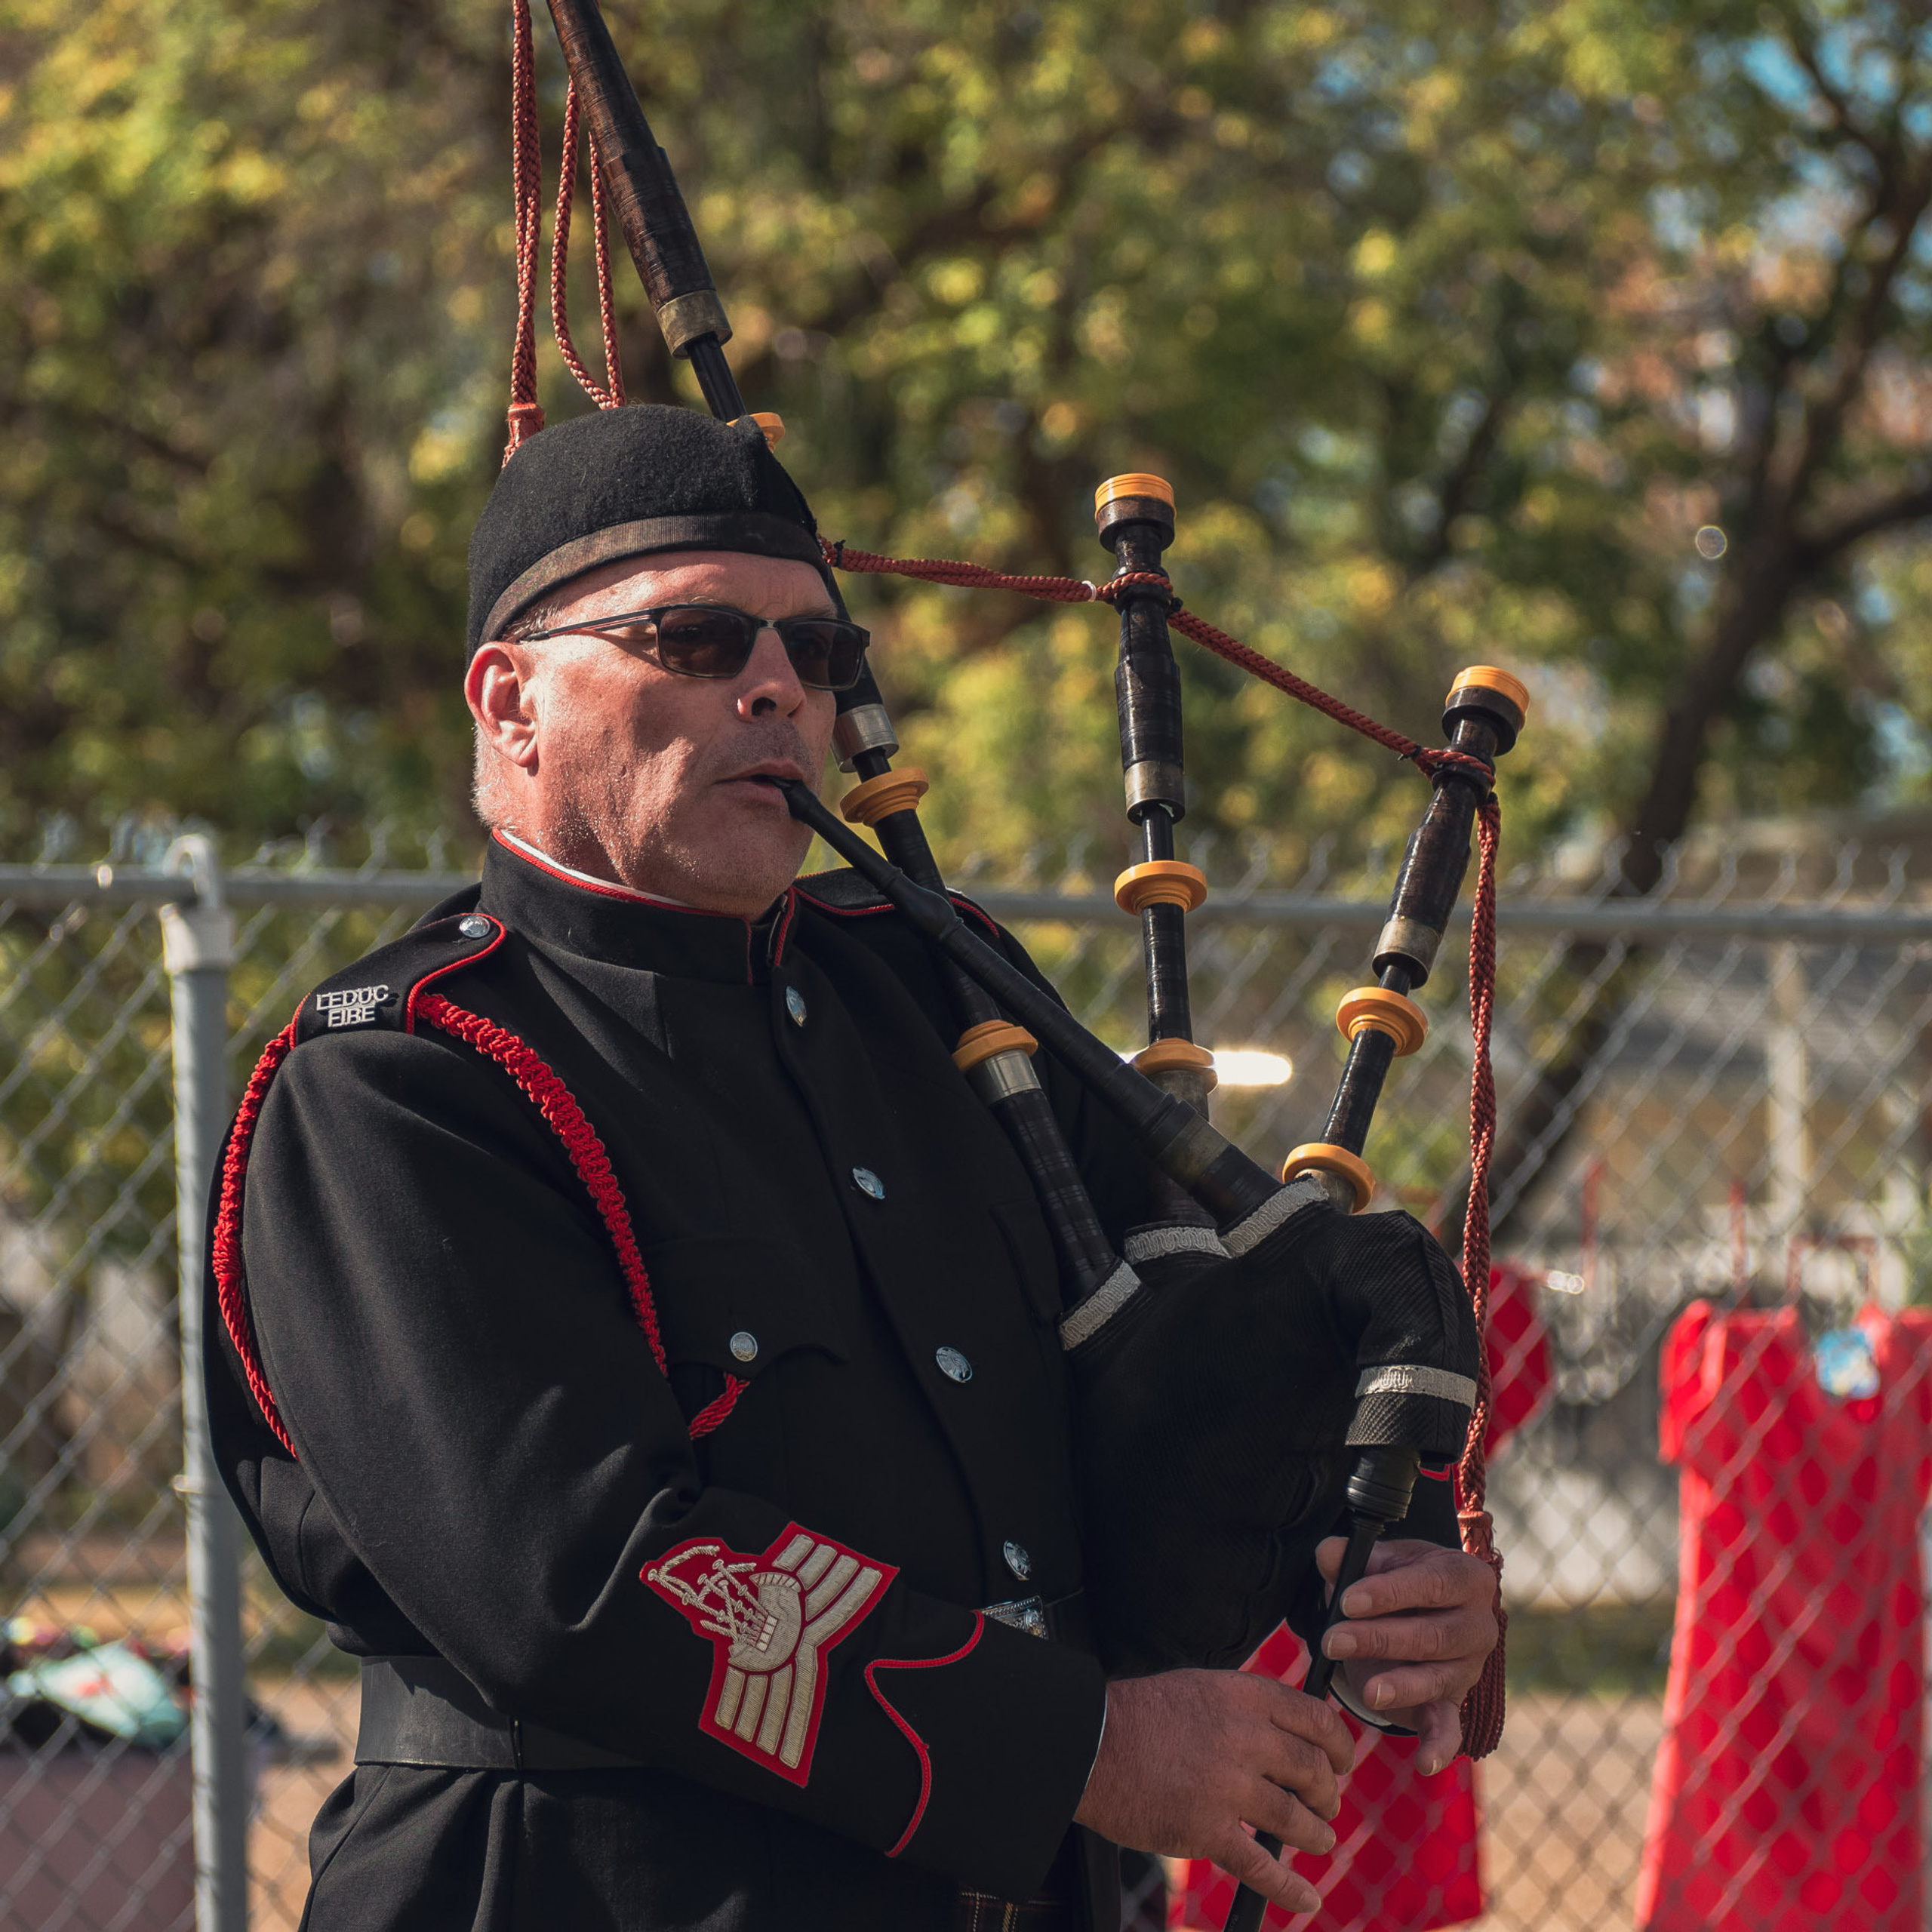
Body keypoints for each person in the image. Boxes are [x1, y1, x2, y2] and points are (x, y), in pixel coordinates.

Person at [205, 404, 1499, 1932]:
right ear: (511, 704)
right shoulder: (407, 1080)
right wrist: (1085, 1745)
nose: (777, 686)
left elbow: (1207, 1363)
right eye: (695, 637)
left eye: (818, 654)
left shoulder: (946, 997)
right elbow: (582, 1574)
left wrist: (1394, 1573)